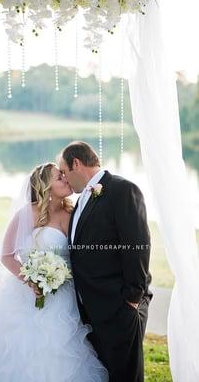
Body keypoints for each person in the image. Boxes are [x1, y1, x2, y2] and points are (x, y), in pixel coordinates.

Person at [0, 162, 108, 382]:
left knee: (63, 348)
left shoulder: (73, 212)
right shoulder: (28, 213)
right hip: (28, 295)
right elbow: (7, 255)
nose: (66, 179)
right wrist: (31, 280)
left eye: (65, 176)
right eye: (59, 178)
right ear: (46, 186)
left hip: (66, 295)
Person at [59, 141, 153, 382]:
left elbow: (137, 245)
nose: (65, 179)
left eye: (64, 171)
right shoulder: (81, 200)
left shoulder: (123, 190)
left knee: (125, 377)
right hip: (91, 310)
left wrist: (132, 299)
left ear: (76, 164)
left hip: (119, 308)